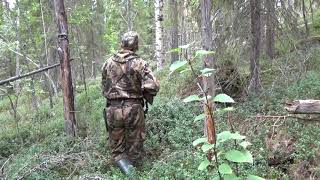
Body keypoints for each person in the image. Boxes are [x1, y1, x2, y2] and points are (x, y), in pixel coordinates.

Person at [101, 31, 160, 174]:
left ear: (121, 44)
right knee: (134, 149)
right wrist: (142, 94)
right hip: (133, 109)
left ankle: (125, 171)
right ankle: (134, 174)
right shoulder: (140, 63)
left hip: (113, 109)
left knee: (117, 150)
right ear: (136, 46)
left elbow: (103, 87)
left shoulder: (107, 63)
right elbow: (153, 86)